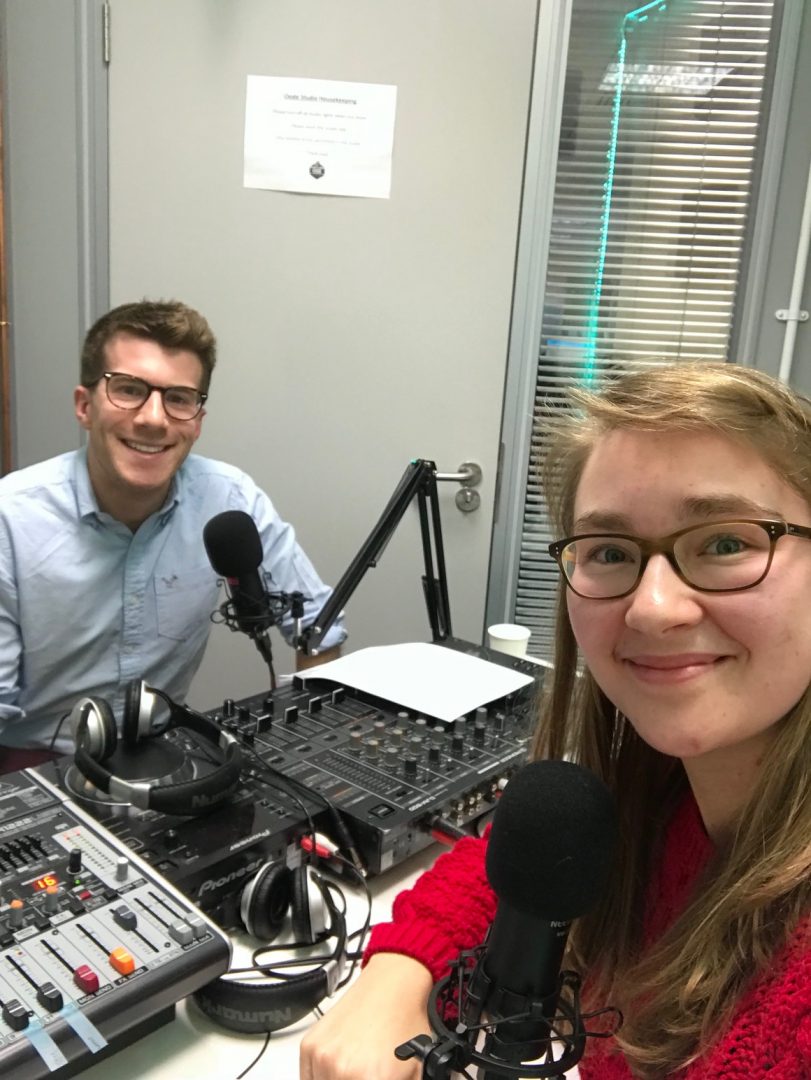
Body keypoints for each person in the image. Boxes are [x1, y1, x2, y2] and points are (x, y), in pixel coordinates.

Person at [300, 362, 811, 1079]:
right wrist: (399, 970)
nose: (653, 608)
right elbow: (509, 866)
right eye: (608, 552)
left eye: (724, 543)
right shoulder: (660, 793)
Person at [0, 299, 346, 772]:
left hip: (168, 753)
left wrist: (314, 762)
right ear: (85, 406)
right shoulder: (11, 518)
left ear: (198, 421)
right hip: (35, 765)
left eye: (179, 398)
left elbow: (320, 628)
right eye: (128, 390)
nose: (154, 419)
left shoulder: (229, 498)